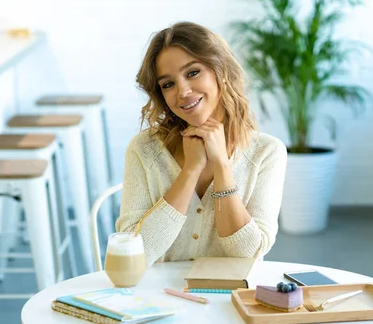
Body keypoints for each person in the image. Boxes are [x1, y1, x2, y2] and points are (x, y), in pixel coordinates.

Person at [116, 22, 287, 266]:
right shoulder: (144, 149)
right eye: (168, 84)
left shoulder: (266, 153)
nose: (183, 91)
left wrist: (222, 166)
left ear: (221, 71)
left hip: (230, 300)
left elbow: (249, 253)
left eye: (193, 72)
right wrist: (190, 171)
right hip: (157, 298)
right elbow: (134, 256)